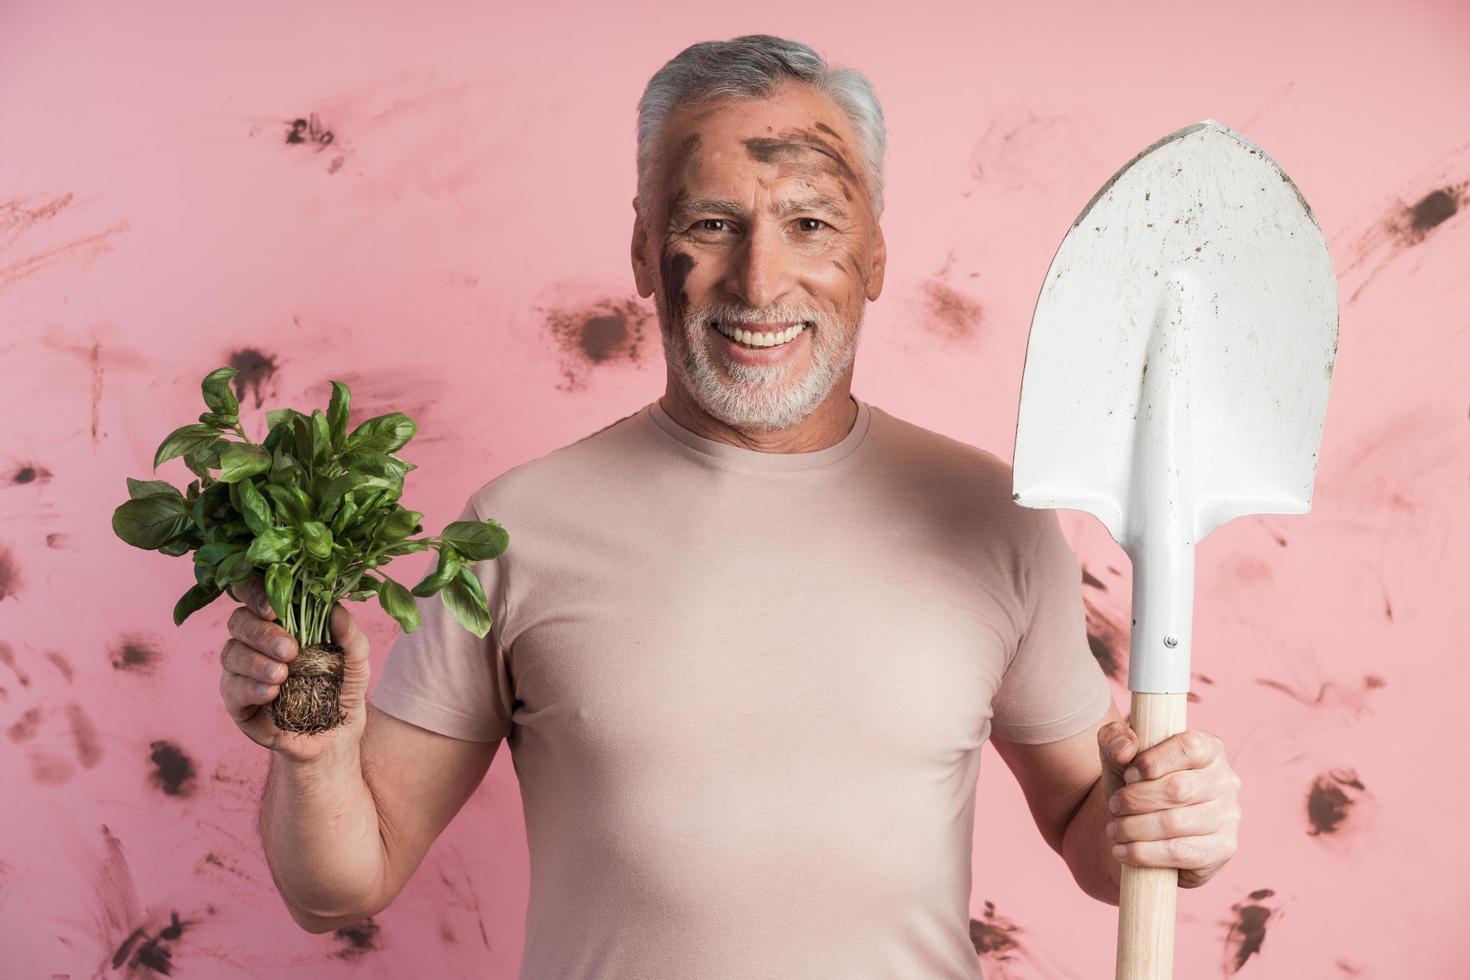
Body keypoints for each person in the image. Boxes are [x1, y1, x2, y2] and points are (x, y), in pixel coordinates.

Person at [220, 34, 1242, 979]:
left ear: (874, 256)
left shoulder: (993, 515)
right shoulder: (515, 530)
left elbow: (1086, 826)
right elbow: (339, 885)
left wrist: (1165, 821)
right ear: (641, 248)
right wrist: (312, 758)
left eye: (810, 223)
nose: (760, 280)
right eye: (711, 225)